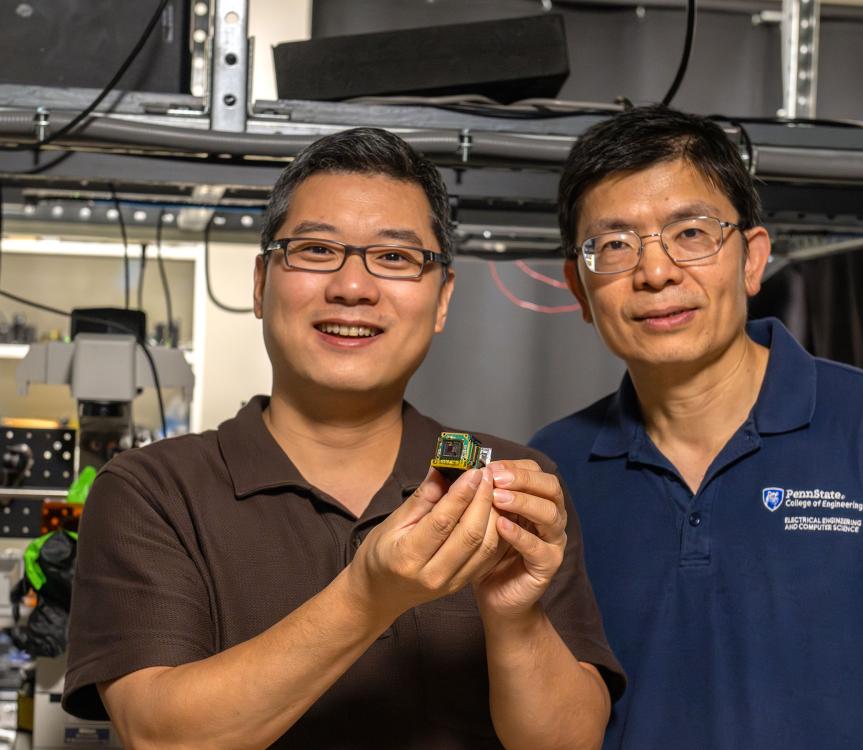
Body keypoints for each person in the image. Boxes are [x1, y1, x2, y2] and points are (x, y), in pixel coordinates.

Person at [63, 127, 624, 750]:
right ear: (260, 283)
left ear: (442, 300)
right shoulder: (152, 492)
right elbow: (160, 737)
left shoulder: (507, 480)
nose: (352, 288)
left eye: (394, 257)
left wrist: (514, 614)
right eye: (315, 250)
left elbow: (570, 743)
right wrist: (367, 595)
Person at [530, 106, 863, 749]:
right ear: (580, 290)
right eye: (614, 245)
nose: (657, 272)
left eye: (691, 233)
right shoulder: (552, 472)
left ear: (752, 260)